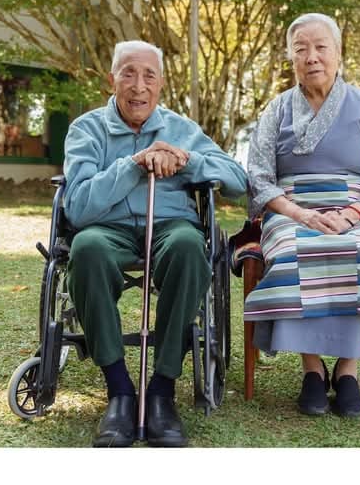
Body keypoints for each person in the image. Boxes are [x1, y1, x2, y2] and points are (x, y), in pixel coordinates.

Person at [63, 40, 247, 447]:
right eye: (128, 73)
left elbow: (238, 180)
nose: (138, 85)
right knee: (86, 248)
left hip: (168, 226)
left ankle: (162, 389)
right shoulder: (86, 130)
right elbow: (76, 207)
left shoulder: (181, 129)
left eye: (149, 75)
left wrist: (186, 159)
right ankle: (120, 392)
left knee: (187, 246)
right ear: (112, 79)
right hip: (105, 229)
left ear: (161, 84)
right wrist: (133, 165)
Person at [243, 12, 360, 417]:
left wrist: (354, 213)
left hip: (357, 210)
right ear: (291, 58)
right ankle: (313, 369)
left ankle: (348, 370)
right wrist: (299, 214)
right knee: (293, 250)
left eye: (321, 48)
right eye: (301, 49)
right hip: (291, 210)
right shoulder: (277, 110)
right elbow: (259, 178)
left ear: (338, 54)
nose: (312, 57)